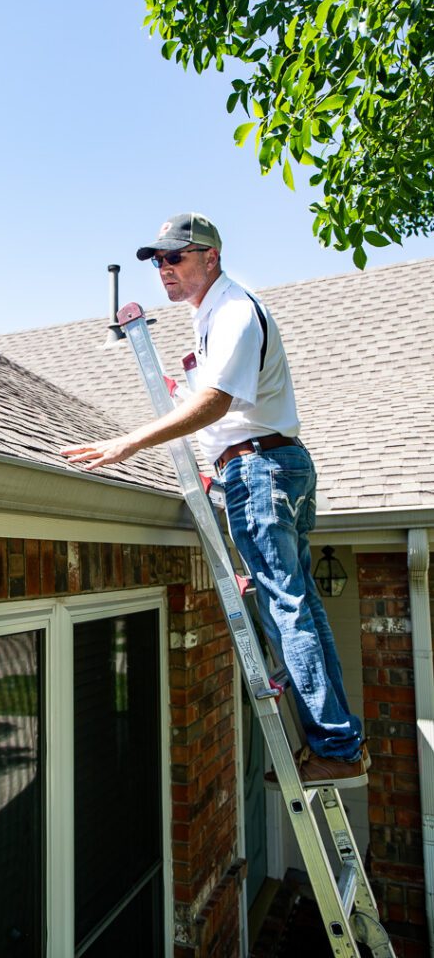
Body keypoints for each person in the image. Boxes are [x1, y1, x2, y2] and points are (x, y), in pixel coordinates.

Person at [61, 212, 369, 788]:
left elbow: (219, 405)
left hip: (261, 468)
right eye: (157, 261)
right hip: (267, 464)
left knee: (287, 607)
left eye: (174, 257)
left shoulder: (232, 312)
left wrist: (128, 443)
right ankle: (340, 742)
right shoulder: (214, 317)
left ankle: (336, 747)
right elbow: (216, 400)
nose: (163, 270)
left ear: (211, 257)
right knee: (299, 604)